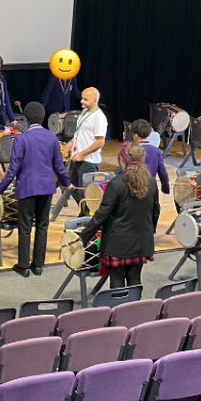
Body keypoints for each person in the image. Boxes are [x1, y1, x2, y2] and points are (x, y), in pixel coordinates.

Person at [0, 102, 71, 276]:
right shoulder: (52, 137)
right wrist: (67, 183)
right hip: (46, 188)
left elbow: (13, 169)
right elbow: (59, 166)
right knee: (43, 226)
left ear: (26, 119)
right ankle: (38, 266)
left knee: (25, 227)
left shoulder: (21, 139)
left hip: (27, 188)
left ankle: (24, 266)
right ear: (43, 118)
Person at [77, 143, 159, 289]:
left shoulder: (116, 184)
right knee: (134, 278)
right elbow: (155, 212)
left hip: (117, 244)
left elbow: (101, 215)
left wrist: (83, 237)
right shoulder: (151, 182)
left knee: (117, 279)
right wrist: (149, 233)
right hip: (142, 241)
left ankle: (119, 310)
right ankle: (135, 310)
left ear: (122, 161)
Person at [51, 86, 107, 220]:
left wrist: (82, 154)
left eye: (85, 99)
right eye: (82, 98)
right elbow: (79, 133)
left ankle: (88, 218)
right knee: (69, 186)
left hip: (88, 162)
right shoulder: (84, 113)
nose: (81, 101)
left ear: (95, 100)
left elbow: (100, 142)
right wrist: (71, 144)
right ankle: (84, 213)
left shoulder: (99, 117)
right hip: (77, 159)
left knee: (85, 193)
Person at [130, 118, 170, 195]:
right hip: (151, 188)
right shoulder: (156, 151)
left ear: (135, 136)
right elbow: (162, 172)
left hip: (133, 187)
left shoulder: (131, 150)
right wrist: (165, 187)